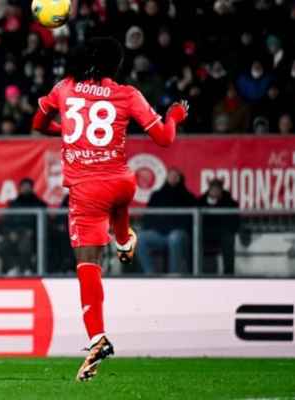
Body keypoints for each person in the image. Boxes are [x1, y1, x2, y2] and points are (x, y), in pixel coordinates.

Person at [31, 37, 189, 381]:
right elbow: (164, 138)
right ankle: (123, 239)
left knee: (88, 266)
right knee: (117, 203)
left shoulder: (64, 87)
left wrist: (68, 133)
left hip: (88, 192)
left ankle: (96, 338)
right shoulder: (128, 93)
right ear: (115, 65)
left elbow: (38, 124)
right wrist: (174, 115)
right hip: (122, 182)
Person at [137, 169, 197, 274]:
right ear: (166, 178)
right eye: (170, 176)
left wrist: (171, 227)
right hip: (160, 234)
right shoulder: (156, 195)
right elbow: (148, 218)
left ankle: (173, 275)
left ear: (180, 178)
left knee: (174, 237)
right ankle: (150, 273)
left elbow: (189, 222)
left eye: (176, 176)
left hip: (179, 235)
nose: (173, 178)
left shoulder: (188, 197)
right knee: (140, 238)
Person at [198, 179, 240, 275]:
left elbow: (234, 221)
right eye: (213, 189)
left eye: (217, 189)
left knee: (229, 239)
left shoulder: (229, 202)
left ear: (221, 190)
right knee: (200, 239)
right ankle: (206, 273)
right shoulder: (201, 201)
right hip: (207, 232)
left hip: (223, 233)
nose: (215, 192)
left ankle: (229, 274)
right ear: (209, 190)